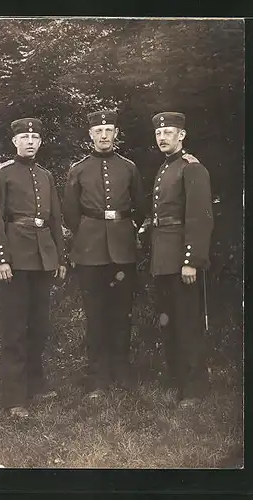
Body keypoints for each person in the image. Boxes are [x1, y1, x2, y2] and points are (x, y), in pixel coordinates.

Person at [0, 117, 66, 418]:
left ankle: (35, 383)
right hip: (15, 260)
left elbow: (55, 218)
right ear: (14, 142)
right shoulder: (2, 173)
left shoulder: (45, 175)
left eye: (34, 138)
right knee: (15, 328)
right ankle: (14, 397)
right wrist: (0, 258)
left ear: (40, 142)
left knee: (40, 325)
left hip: (43, 258)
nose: (29, 142)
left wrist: (59, 257)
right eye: (24, 137)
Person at [63, 110, 146, 396]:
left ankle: (121, 370)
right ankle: (97, 375)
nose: (103, 135)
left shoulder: (129, 168)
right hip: (90, 250)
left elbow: (141, 205)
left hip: (122, 248)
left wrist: (126, 229)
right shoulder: (79, 169)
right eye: (98, 131)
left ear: (115, 133)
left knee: (122, 312)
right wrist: (88, 232)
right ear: (90, 135)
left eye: (108, 130)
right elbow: (70, 212)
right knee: (95, 314)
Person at [150, 111, 214, 407]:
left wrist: (191, 260)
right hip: (163, 257)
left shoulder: (192, 168)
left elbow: (199, 218)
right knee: (170, 320)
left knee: (188, 321)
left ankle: (194, 386)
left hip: (182, 258)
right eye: (159, 134)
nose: (163, 138)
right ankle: (176, 378)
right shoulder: (166, 168)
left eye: (169, 133)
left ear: (182, 135)